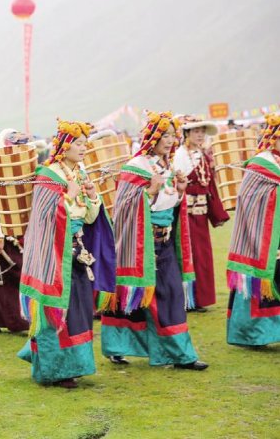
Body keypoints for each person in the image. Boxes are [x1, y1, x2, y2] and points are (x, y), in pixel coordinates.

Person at [101, 110, 208, 370]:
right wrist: (150, 190)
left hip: (165, 242)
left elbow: (169, 205)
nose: (170, 141)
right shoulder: (136, 167)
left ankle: (181, 354)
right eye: (165, 136)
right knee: (132, 295)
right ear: (152, 137)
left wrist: (179, 191)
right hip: (140, 244)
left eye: (172, 135)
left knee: (170, 293)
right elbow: (124, 207)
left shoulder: (168, 167)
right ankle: (117, 347)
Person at [16, 120, 116, 388]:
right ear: (63, 146)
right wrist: (68, 196)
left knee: (79, 311)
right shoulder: (48, 175)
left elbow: (89, 218)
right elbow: (45, 216)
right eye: (78, 143)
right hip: (53, 256)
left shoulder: (80, 173)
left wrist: (92, 197)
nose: (84, 148)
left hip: (78, 252)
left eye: (85, 143)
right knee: (56, 311)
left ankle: (75, 365)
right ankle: (54, 369)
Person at [0, 129, 44, 334]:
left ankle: (20, 317)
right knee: (6, 274)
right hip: (4, 226)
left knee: (23, 272)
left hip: (28, 226)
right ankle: (6, 319)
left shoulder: (29, 163)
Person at [226, 113, 280, 347]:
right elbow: (247, 199)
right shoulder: (260, 164)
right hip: (262, 233)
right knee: (259, 280)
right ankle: (252, 334)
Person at [174, 116, 229, 311]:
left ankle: (201, 299)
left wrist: (217, 213)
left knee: (203, 255)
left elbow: (210, 186)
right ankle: (188, 299)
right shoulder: (179, 155)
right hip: (184, 214)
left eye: (202, 132)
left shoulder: (202, 155)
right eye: (196, 131)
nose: (200, 135)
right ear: (186, 133)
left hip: (201, 214)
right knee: (188, 254)